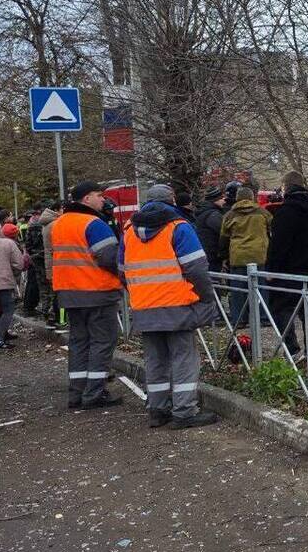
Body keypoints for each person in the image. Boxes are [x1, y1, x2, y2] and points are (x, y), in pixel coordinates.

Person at [119, 183, 220, 430]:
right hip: (177, 304)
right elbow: (196, 268)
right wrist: (207, 296)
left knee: (155, 360)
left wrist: (140, 292)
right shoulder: (179, 227)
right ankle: (184, 411)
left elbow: (122, 271)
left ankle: (158, 409)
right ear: (172, 200)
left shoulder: (129, 231)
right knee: (184, 358)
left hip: (144, 306)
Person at [50, 182, 123, 409]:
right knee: (102, 341)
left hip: (69, 292)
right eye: (99, 195)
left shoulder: (59, 224)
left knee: (79, 343)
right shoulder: (94, 223)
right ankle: (94, 393)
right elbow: (110, 258)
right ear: (86, 199)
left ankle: (76, 392)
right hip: (97, 291)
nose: (103, 200)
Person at [264, 171, 308, 358]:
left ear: (286, 188)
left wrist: (271, 269)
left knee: (281, 309)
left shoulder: (286, 212)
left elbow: (279, 245)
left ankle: (291, 347)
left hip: (287, 271)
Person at [219, 186, 272, 327]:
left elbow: (224, 238)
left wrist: (224, 257)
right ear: (252, 197)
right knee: (261, 287)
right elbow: (272, 230)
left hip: (238, 256)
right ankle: (263, 317)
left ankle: (240, 319)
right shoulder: (263, 213)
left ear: (237, 198)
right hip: (259, 255)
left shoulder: (229, 215)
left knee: (238, 291)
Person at [0, 218, 26, 351]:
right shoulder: (8, 243)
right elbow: (19, 264)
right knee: (7, 311)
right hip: (5, 283)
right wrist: (12, 273)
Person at [38, 200, 64, 323]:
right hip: (58, 263)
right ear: (57, 210)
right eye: (62, 209)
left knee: (55, 292)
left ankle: (54, 317)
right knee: (60, 294)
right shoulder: (56, 224)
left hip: (51, 262)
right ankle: (59, 319)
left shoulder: (47, 224)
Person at [194, 186, 228, 270]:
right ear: (215, 200)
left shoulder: (204, 212)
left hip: (206, 252)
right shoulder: (213, 215)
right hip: (213, 254)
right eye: (222, 198)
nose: (224, 200)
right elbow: (224, 230)